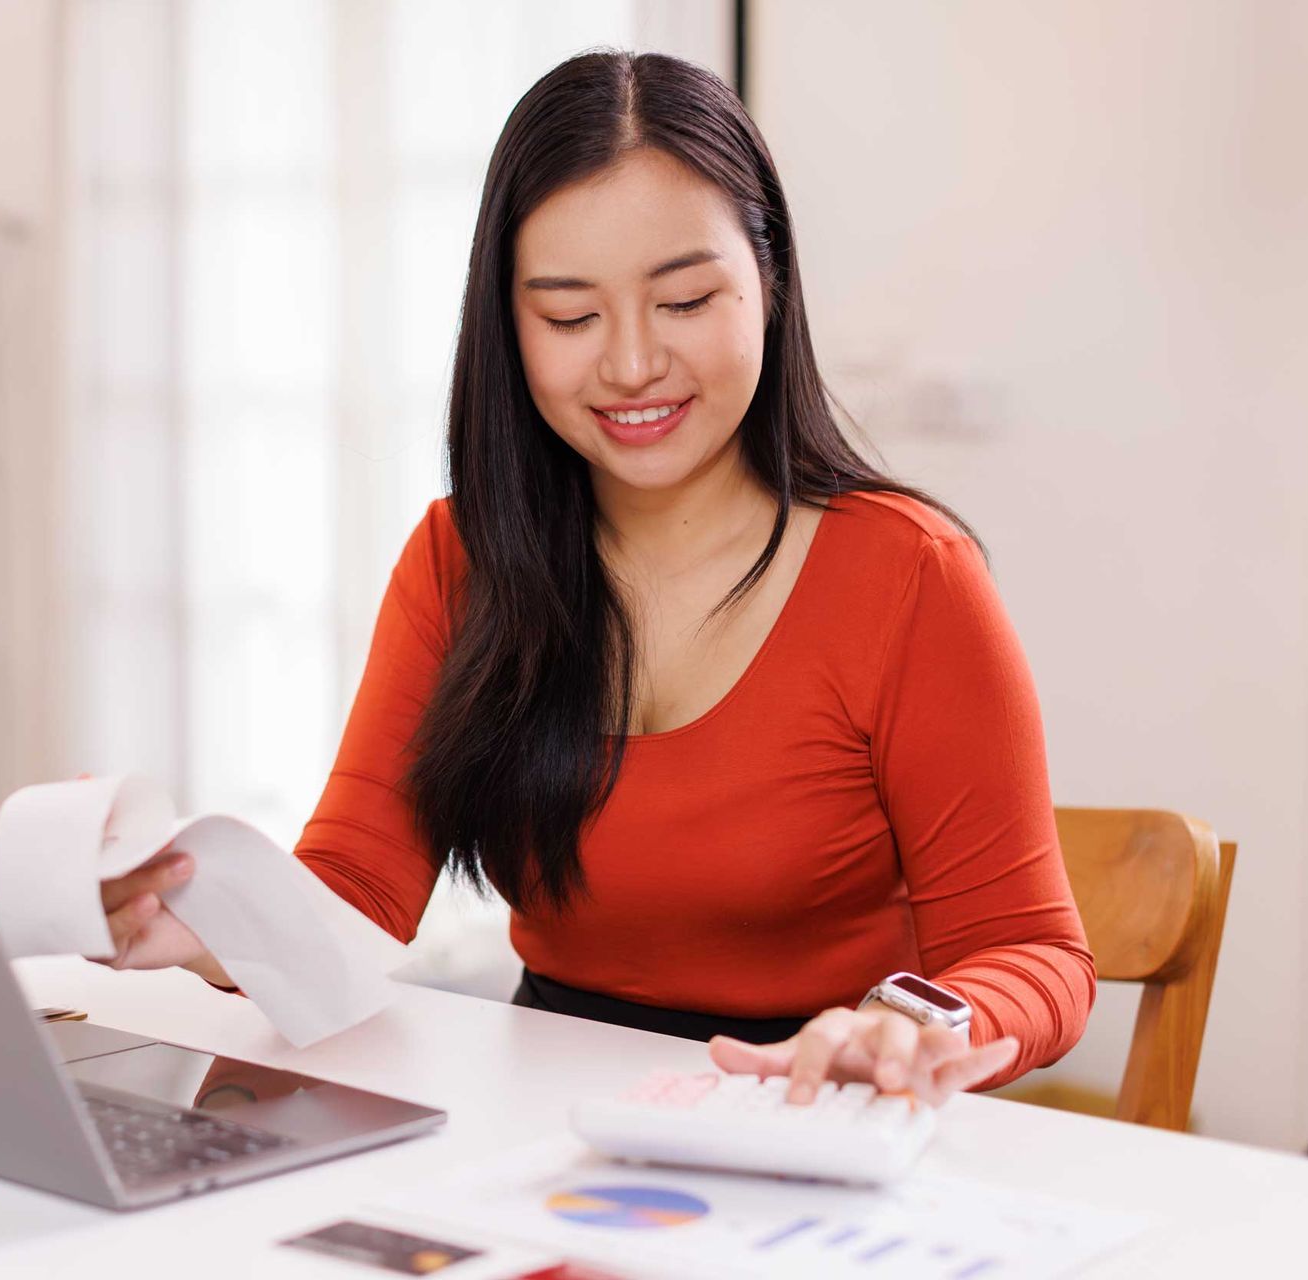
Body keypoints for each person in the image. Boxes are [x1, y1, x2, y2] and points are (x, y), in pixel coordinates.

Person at [93, 49, 1094, 1108]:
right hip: (544, 1125)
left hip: (819, 1118)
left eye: (685, 300)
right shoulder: (464, 557)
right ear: (506, 322)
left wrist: (912, 1023)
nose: (628, 365)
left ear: (771, 281)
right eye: (570, 317)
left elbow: (1033, 951)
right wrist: (198, 917)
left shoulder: (906, 577)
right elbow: (355, 887)